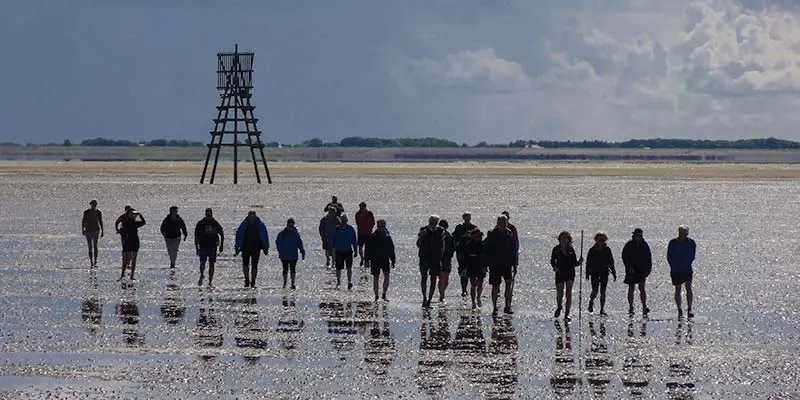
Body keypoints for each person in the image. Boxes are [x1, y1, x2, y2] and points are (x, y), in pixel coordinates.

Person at [486, 215, 519, 316]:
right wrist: (486, 263)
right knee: (495, 286)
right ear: (498, 222)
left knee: (508, 284)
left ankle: (507, 306)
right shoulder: (492, 233)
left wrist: (515, 263)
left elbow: (515, 249)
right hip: (495, 264)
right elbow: (487, 249)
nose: (504, 224)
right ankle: (495, 307)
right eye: (501, 222)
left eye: (505, 222)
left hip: (507, 263)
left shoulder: (510, 234)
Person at [551, 231, 583, 321]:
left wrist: (579, 262)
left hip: (569, 272)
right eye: (562, 238)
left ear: (568, 239)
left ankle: (567, 314)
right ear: (559, 239)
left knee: (568, 293)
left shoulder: (571, 250)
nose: (564, 240)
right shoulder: (556, 249)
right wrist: (554, 267)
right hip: (560, 272)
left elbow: (574, 263)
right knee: (559, 292)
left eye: (566, 238)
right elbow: (552, 260)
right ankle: (559, 306)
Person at [234, 211, 270, 288]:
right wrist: (237, 246)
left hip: (256, 247)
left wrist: (265, 247)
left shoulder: (260, 225)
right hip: (245, 247)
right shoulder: (244, 224)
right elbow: (239, 235)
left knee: (254, 265)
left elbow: (264, 236)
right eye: (251, 216)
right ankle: (247, 279)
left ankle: (253, 281)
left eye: (253, 216)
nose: (252, 218)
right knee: (245, 264)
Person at [667, 226, 696, 319]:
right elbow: (669, 256)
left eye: (685, 233)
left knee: (688, 287)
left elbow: (692, 255)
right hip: (676, 269)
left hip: (687, 268)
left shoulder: (691, 243)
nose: (683, 235)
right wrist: (673, 265)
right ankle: (679, 309)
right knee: (678, 289)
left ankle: (689, 308)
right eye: (681, 233)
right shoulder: (673, 243)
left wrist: (687, 262)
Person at [622, 228, 652, 316]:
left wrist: (648, 270)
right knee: (631, 288)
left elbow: (648, 258)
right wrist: (629, 267)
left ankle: (644, 306)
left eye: (640, 236)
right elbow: (624, 257)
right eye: (637, 235)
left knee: (642, 288)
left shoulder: (645, 245)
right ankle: (631, 306)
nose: (639, 237)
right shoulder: (629, 245)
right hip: (631, 269)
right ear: (634, 236)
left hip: (642, 270)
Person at [585, 232, 616, 316]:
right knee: (595, 290)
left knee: (603, 291)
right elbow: (588, 262)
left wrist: (614, 272)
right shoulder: (592, 250)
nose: (601, 242)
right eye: (600, 240)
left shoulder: (607, 250)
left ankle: (602, 309)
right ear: (596, 240)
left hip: (604, 272)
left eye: (603, 240)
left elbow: (611, 262)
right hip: (594, 272)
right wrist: (587, 273)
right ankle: (591, 301)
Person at [364, 219, 395, 301]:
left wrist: (393, 260)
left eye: (382, 226)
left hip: (385, 259)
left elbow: (391, 249)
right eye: (380, 226)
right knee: (376, 277)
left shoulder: (387, 237)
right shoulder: (372, 236)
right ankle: (376, 295)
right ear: (377, 227)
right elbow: (367, 249)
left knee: (387, 276)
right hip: (375, 260)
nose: (381, 228)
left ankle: (384, 293)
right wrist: (366, 260)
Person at [417, 215, 444, 308]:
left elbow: (443, 245)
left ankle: (429, 300)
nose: (433, 224)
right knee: (424, 278)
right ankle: (424, 297)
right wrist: (421, 236)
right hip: (424, 257)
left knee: (433, 279)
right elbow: (418, 244)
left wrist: (442, 257)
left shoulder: (440, 231)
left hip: (436, 258)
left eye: (435, 222)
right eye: (432, 222)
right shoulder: (423, 230)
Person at [195, 208, 224, 287]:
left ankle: (210, 281)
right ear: (205, 214)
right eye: (208, 215)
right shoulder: (201, 223)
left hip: (213, 246)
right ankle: (201, 274)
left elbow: (221, 233)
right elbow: (196, 236)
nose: (209, 216)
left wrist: (221, 245)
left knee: (212, 264)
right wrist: (197, 248)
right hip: (203, 246)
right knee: (202, 262)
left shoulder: (215, 223)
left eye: (210, 215)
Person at [276, 218, 306, 290]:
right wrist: (280, 251)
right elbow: (278, 243)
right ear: (287, 225)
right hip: (284, 254)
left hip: (293, 254)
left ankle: (293, 283)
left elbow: (300, 243)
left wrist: (302, 251)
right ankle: (285, 282)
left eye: (292, 226)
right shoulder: (282, 234)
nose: (291, 228)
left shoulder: (296, 234)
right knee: (285, 269)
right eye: (289, 226)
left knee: (293, 269)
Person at [453, 212, 477, 298]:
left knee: (471, 270)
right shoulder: (459, 227)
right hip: (461, 252)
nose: (468, 219)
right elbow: (455, 238)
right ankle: (464, 289)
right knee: (463, 270)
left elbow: (477, 237)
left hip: (471, 252)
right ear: (463, 218)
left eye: (469, 217)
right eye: (466, 217)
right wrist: (463, 236)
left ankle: (472, 289)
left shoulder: (473, 227)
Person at [462, 229, 487, 310]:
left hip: (481, 267)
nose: (477, 238)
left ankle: (478, 297)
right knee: (473, 285)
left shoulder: (483, 245)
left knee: (480, 284)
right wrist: (464, 268)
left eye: (478, 236)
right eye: (475, 236)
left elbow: (487, 257)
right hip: (471, 267)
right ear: (472, 237)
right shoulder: (468, 245)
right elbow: (464, 258)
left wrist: (485, 266)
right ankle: (473, 301)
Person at [118, 208, 145, 281]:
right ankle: (122, 275)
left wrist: (140, 215)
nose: (133, 216)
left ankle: (132, 275)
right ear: (128, 215)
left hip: (135, 241)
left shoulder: (135, 222)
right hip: (127, 242)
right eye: (132, 214)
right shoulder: (125, 222)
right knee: (125, 259)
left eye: (134, 215)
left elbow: (143, 222)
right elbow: (122, 229)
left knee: (134, 258)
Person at [332, 214, 358, 289]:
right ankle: (338, 281)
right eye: (342, 220)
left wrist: (355, 250)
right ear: (340, 221)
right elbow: (333, 240)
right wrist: (332, 251)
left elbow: (354, 240)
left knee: (349, 267)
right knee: (338, 268)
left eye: (345, 220)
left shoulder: (351, 229)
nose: (343, 221)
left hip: (348, 250)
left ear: (347, 221)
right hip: (339, 251)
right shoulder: (337, 229)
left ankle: (349, 281)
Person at [438, 219, 456, 303]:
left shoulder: (449, 236)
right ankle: (442, 295)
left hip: (447, 259)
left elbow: (453, 247)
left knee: (446, 279)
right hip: (439, 259)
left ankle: (442, 292)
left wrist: (451, 254)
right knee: (441, 278)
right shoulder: (437, 235)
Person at [81, 199, 104, 266]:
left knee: (95, 246)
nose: (94, 205)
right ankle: (91, 261)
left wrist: (103, 231)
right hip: (88, 231)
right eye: (93, 204)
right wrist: (82, 229)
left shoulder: (98, 212)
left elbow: (100, 221)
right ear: (91, 205)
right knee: (90, 247)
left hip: (96, 230)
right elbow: (83, 221)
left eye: (95, 204)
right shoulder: (86, 212)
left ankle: (95, 261)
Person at [355, 202, 376, 266]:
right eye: (360, 206)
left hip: (368, 233)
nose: (361, 208)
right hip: (360, 232)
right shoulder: (357, 214)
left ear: (365, 207)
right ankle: (362, 258)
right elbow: (357, 222)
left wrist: (370, 229)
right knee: (360, 247)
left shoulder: (369, 213)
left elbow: (373, 222)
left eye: (362, 206)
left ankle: (367, 260)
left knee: (368, 248)